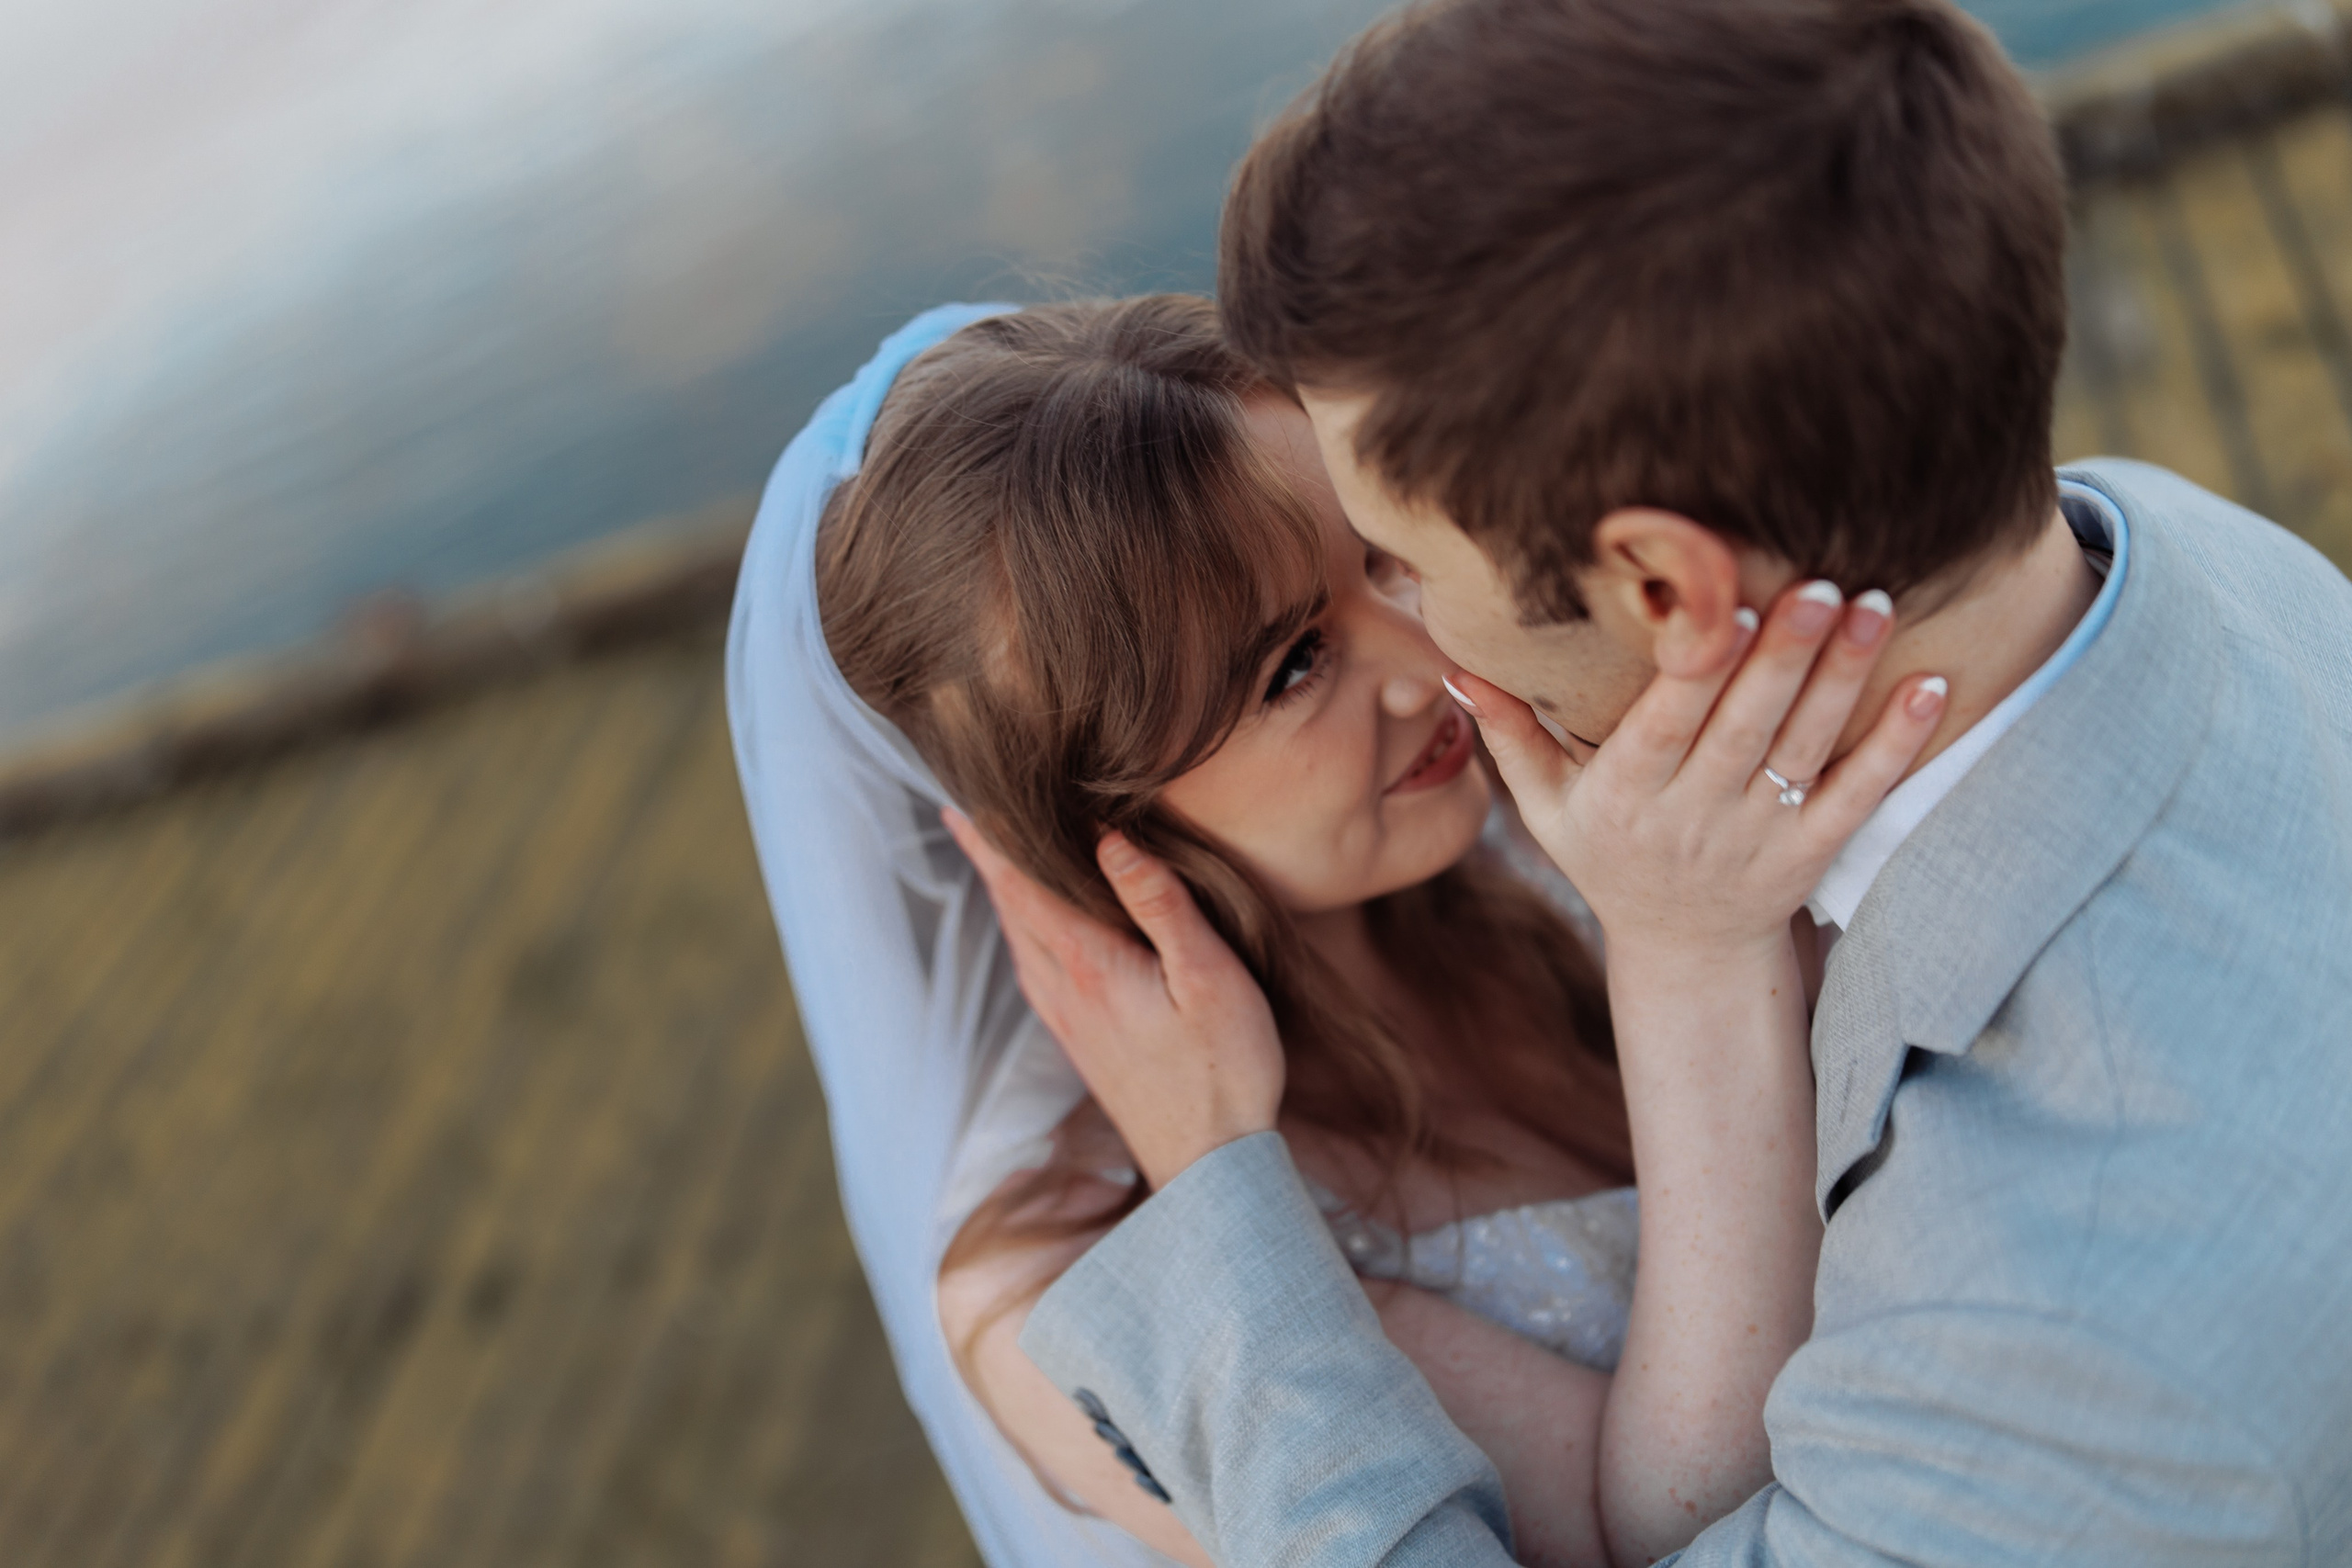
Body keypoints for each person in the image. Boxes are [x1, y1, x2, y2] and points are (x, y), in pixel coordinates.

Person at [978, 1, 2352, 1564]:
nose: (1415, 639)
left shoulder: (2063, 1376)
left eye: (1405, 559)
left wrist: (1224, 1211)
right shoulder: (2187, 555)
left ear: (1666, 591)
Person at [730, 295, 1939, 1568]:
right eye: (1295, 667)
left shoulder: (1544, 829)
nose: (1430, 661)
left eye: (1381, 555)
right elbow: (1648, 1543)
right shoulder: (1068, 1283)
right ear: (1078, 819)